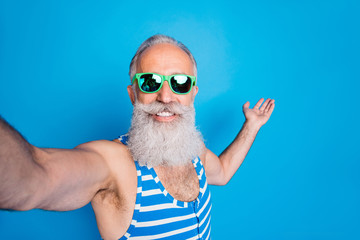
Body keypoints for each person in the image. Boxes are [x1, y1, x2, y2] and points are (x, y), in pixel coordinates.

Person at [0, 34, 275, 240]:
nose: (165, 97)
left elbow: (223, 172)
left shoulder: (194, 148)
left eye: (179, 83)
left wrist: (252, 126)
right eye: (150, 82)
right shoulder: (115, 165)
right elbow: (36, 178)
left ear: (192, 94)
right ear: (133, 95)